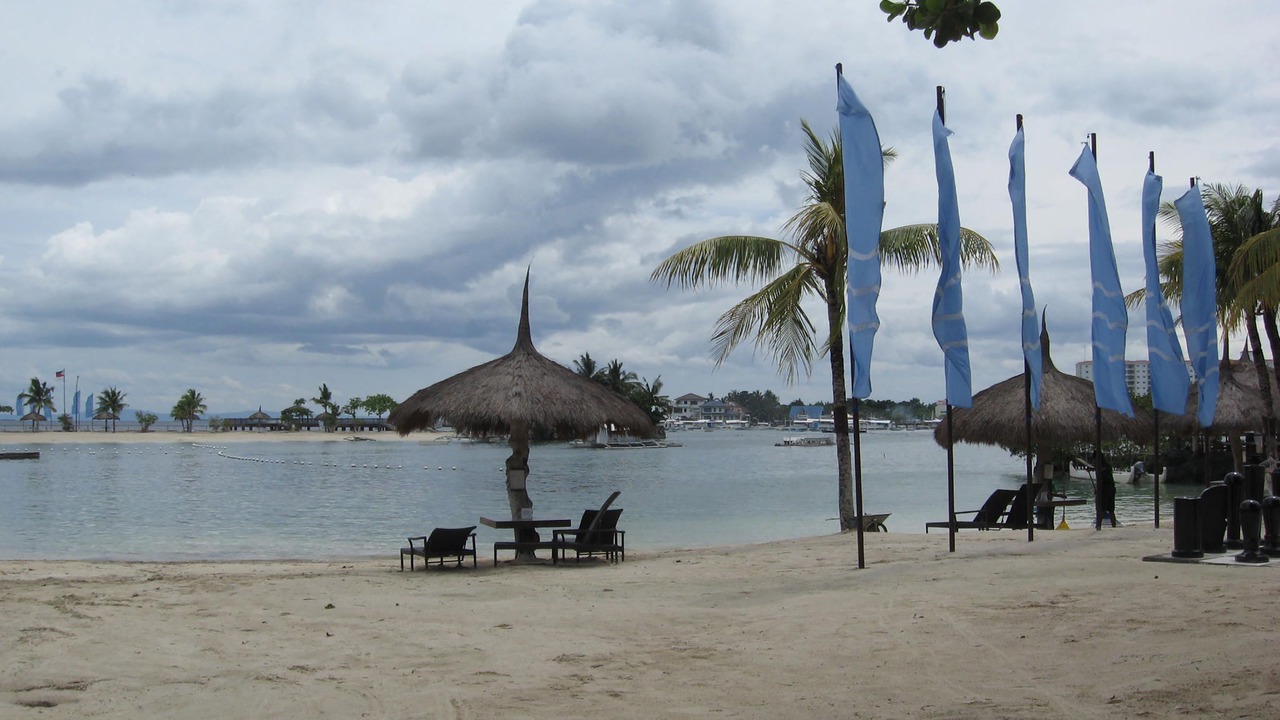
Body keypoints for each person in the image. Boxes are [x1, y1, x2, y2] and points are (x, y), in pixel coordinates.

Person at [1095, 453, 1117, 529]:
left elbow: (1101, 479)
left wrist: (1098, 490)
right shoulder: (1107, 466)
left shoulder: (1102, 468)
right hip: (1111, 489)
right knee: (1111, 510)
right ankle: (1113, 526)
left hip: (1105, 489)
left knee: (1102, 509)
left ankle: (1098, 526)